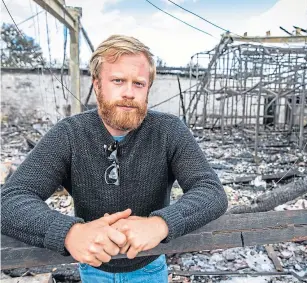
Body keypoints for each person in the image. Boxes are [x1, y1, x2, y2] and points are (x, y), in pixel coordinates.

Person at [1, 35, 228, 283]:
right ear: (98, 85)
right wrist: (69, 232)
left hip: (150, 265)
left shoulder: (168, 131)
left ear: (148, 89)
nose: (129, 93)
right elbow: (11, 199)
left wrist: (160, 223)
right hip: (93, 268)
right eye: (118, 81)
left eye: (139, 84)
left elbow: (211, 191)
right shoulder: (70, 134)